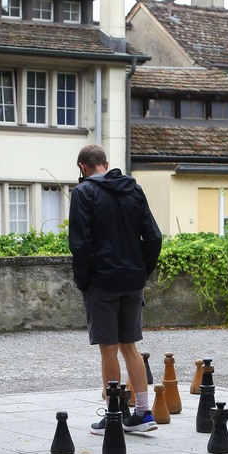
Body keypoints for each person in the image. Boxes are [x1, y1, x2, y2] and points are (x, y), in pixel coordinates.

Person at [69, 144, 163, 434]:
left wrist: (83, 279)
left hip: (102, 280)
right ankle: (144, 413)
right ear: (106, 164)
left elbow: (80, 243)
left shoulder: (83, 193)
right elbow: (154, 236)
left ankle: (113, 414)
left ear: (82, 167)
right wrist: (141, 270)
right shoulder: (133, 189)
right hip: (132, 280)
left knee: (108, 348)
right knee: (130, 345)